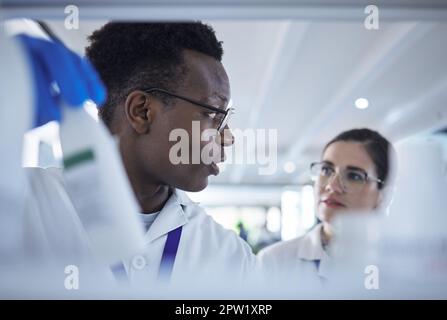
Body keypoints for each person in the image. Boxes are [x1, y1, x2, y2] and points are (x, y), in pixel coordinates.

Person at [13, 22, 258, 289]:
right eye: (214, 114)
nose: (229, 137)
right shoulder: (22, 204)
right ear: (142, 112)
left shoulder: (230, 256)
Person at [258, 128, 395, 284]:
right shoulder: (274, 262)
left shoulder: (405, 267)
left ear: (383, 195)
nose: (332, 185)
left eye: (354, 176)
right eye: (326, 170)